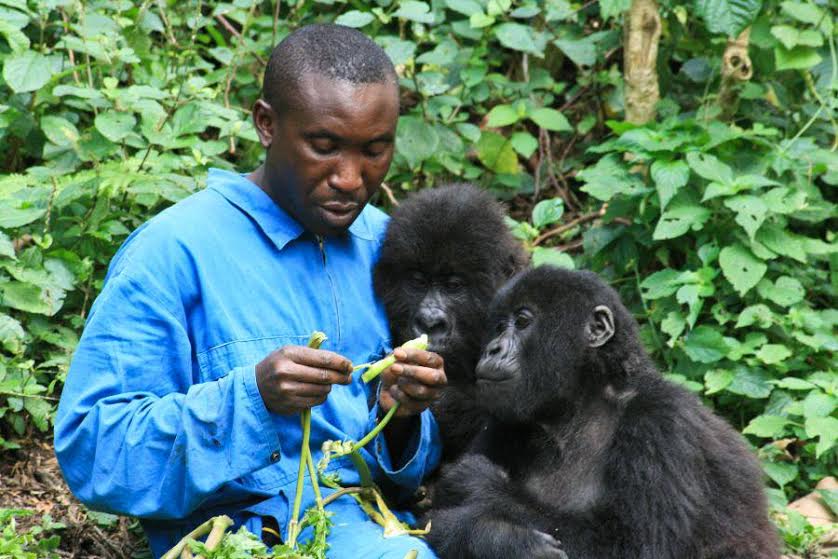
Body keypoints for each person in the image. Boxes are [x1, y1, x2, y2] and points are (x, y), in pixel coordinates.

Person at [54, 24, 446, 559]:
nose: (351, 178)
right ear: (266, 124)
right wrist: (251, 400)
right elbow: (95, 453)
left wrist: (402, 417)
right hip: (241, 541)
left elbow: (406, 476)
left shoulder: (387, 245)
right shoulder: (174, 252)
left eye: (375, 150)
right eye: (324, 147)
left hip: (381, 528)